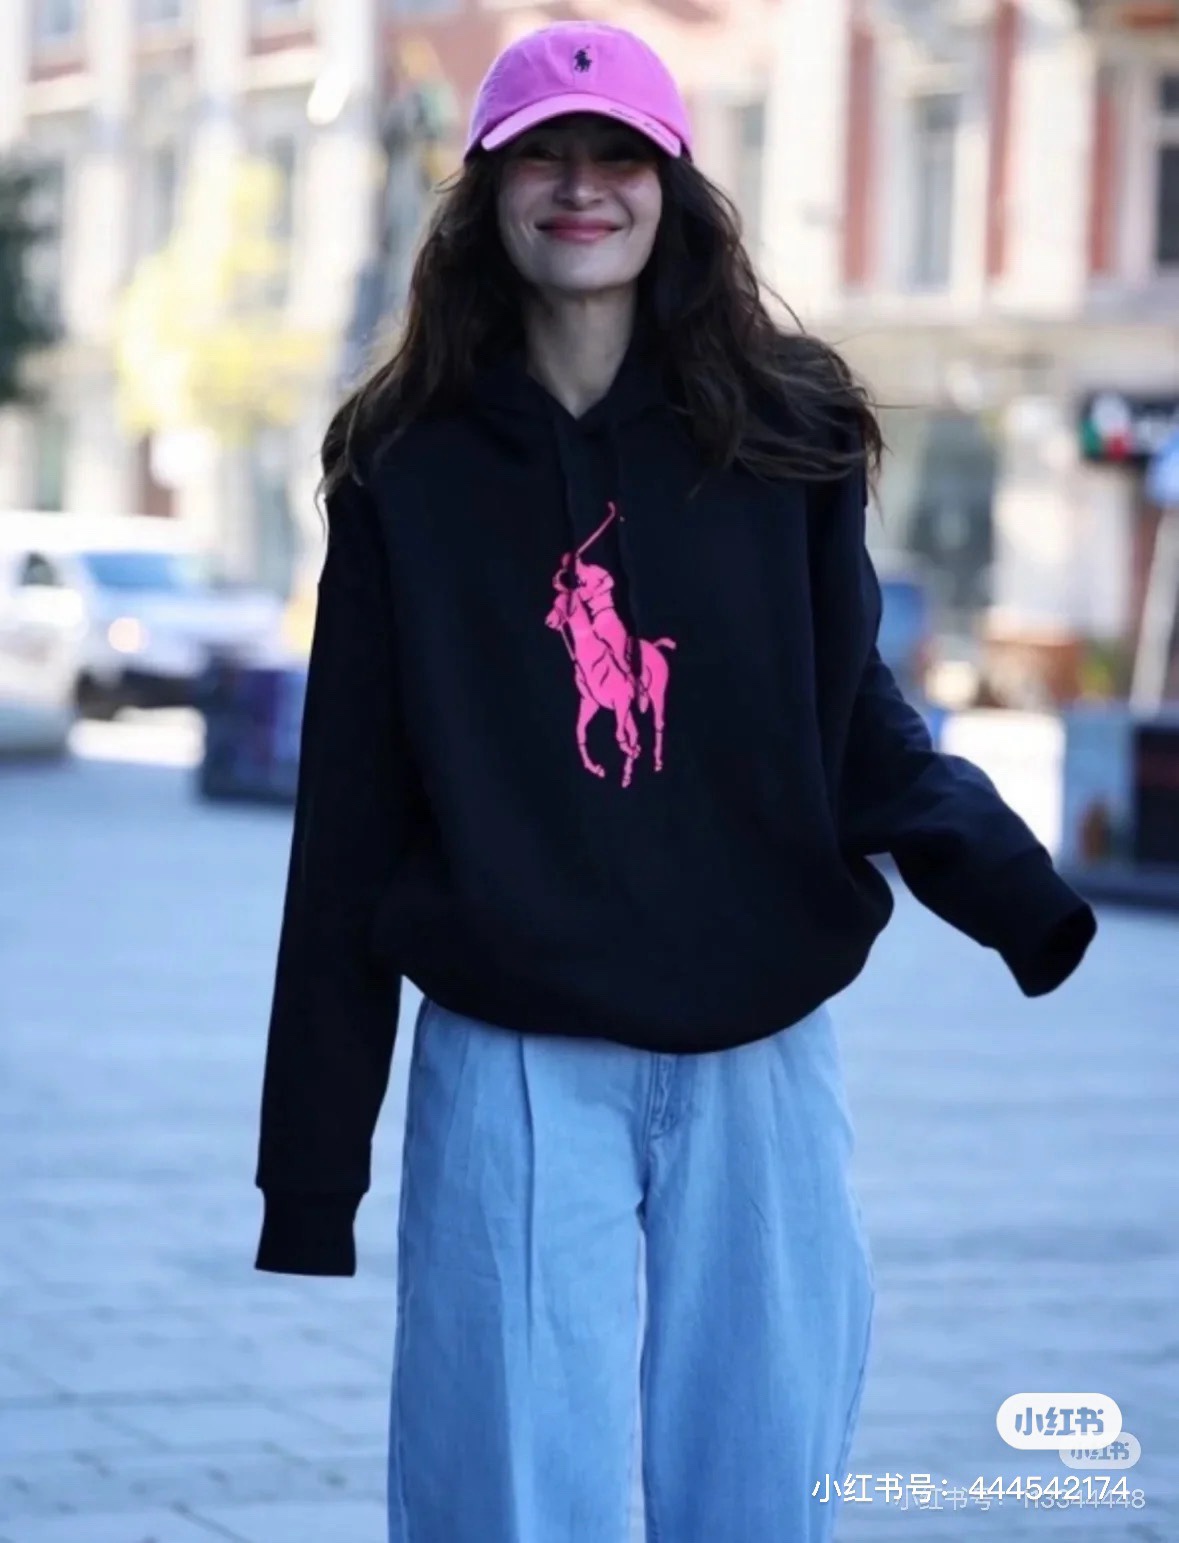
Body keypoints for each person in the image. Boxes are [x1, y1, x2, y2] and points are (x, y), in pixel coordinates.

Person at [253, 21, 1097, 1543]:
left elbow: (849, 712)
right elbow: (352, 820)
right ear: (488, 192)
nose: (583, 187)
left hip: (757, 1049)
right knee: (505, 1500)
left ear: (674, 187)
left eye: (618, 156)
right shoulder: (405, 465)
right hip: (513, 1054)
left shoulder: (788, 428)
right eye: (545, 157)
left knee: (763, 1490)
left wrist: (1005, 883)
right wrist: (311, 1175)